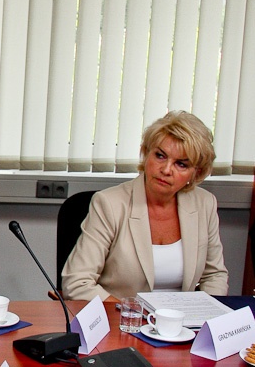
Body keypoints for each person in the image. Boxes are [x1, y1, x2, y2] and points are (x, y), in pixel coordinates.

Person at [61, 111, 229, 302]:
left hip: (183, 318)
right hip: (121, 315)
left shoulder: (205, 203)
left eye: (181, 164)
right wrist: (130, 312)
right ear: (146, 153)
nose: (166, 170)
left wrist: (207, 312)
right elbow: (77, 282)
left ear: (196, 173)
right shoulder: (110, 204)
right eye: (160, 156)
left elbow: (214, 275)